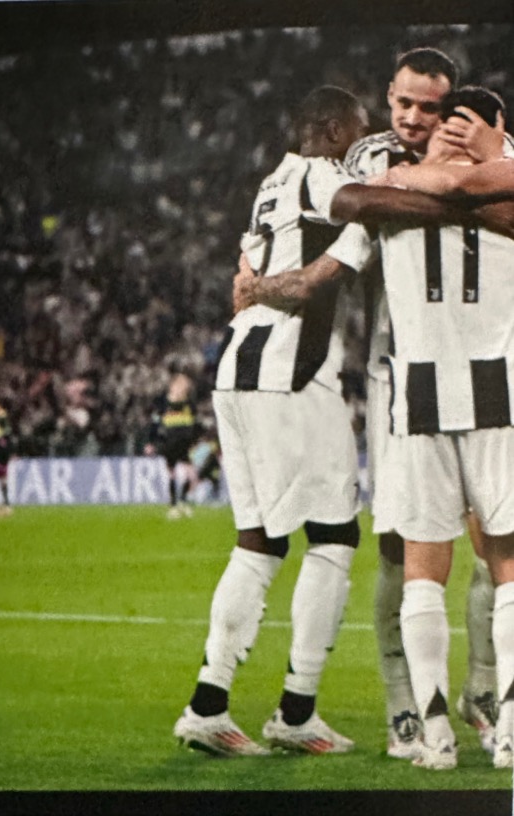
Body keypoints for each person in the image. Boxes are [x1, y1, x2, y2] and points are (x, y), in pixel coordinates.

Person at [174, 83, 470, 758]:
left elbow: (254, 266)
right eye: (358, 132)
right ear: (334, 130)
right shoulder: (317, 175)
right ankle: (296, 709)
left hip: (239, 370)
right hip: (291, 373)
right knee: (334, 537)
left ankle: (208, 705)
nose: (362, 147)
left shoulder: (270, 184)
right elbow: (370, 204)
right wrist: (454, 196)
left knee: (258, 543)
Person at [233, 87, 514, 769]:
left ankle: (438, 730)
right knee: (497, 564)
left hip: (419, 395)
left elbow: (323, 269)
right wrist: (474, 178)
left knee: (428, 568)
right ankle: (496, 726)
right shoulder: (500, 192)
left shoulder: (390, 192)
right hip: (493, 393)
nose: (437, 131)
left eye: (449, 122)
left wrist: (256, 283)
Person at [145, 368, 199, 519]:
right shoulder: (163, 403)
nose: (184, 387)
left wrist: (194, 441)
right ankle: (174, 505)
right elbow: (155, 423)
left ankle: (182, 501)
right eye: (181, 384)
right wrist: (151, 442)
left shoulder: (189, 403)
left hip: (184, 444)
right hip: (169, 442)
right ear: (173, 385)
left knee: (192, 475)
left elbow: (194, 424)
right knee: (172, 474)